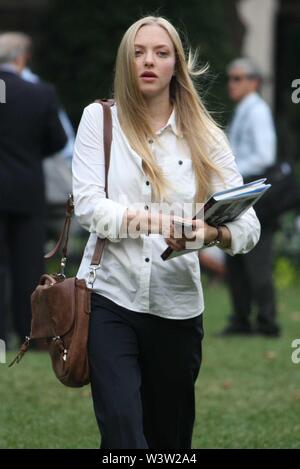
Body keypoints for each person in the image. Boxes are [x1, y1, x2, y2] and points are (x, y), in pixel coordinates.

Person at [72, 17, 260, 449]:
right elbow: (89, 207)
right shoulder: (99, 121)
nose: (149, 61)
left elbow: (248, 226)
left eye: (161, 52)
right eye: (138, 53)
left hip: (177, 308)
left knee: (169, 441)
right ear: (125, 62)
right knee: (122, 429)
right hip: (109, 297)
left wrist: (207, 234)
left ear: (177, 63)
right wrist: (159, 221)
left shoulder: (206, 136)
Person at [0, 32, 67, 346]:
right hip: (27, 188)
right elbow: (59, 141)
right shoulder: (40, 94)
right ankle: (31, 334)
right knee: (29, 264)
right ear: (22, 58)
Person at [221, 57, 280, 337]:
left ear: (254, 82)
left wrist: (230, 171)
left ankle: (268, 323)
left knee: (258, 264)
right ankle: (241, 321)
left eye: (238, 78)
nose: (231, 84)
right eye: (230, 78)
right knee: (236, 260)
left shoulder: (257, 111)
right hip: (239, 195)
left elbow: (264, 156)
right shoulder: (243, 110)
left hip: (257, 197)